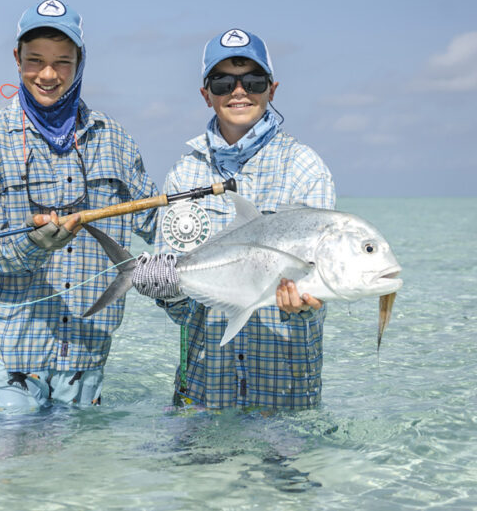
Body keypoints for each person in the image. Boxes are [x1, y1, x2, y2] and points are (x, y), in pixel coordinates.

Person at [0, 0, 157, 414]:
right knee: (12, 476)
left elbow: (157, 223)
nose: (48, 75)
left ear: (81, 62)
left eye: (63, 62)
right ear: (16, 59)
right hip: (12, 356)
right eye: (35, 61)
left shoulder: (115, 139)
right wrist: (32, 244)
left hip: (87, 352)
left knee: (76, 477)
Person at [138, 28, 336, 411]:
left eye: (253, 81)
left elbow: (317, 298)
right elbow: (183, 312)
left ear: (272, 89)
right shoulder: (183, 176)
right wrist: (166, 289)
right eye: (223, 82)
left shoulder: (306, 169)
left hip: (285, 400)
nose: (239, 91)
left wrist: (304, 307)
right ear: (206, 94)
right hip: (203, 393)